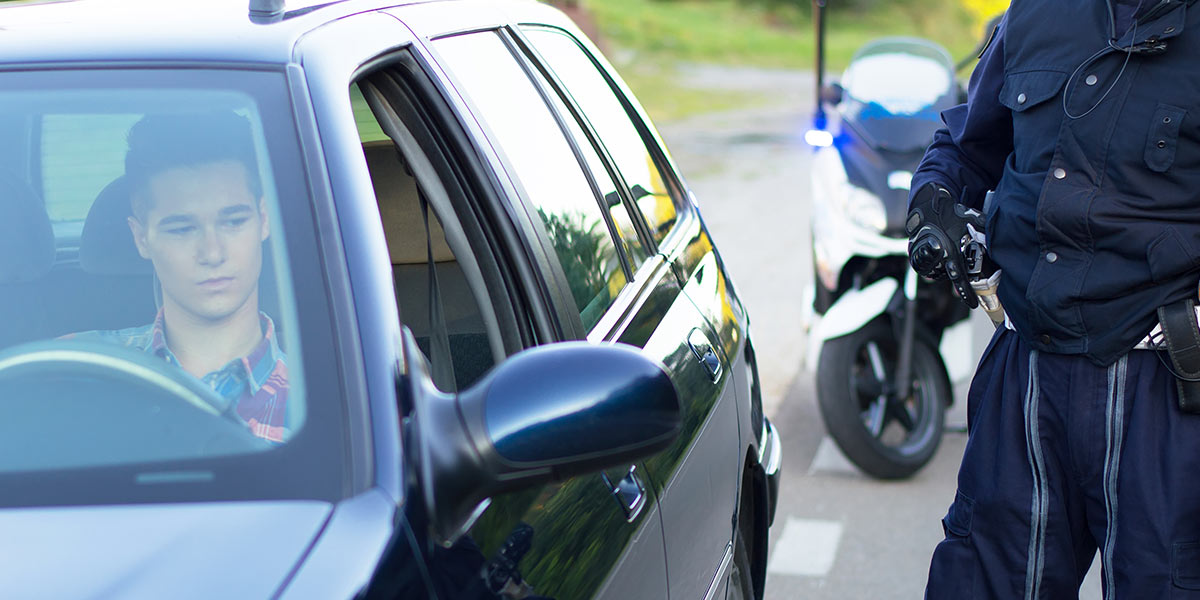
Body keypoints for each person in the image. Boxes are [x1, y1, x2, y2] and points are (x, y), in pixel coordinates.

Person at [906, 1, 1200, 597]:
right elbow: (965, 146)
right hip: (1025, 371)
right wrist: (933, 201)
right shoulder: (1036, 13)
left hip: (1166, 385)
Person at [69, 112, 288, 444]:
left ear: (264, 219)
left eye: (233, 222)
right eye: (182, 229)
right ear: (141, 238)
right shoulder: (72, 369)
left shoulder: (330, 397)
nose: (212, 253)